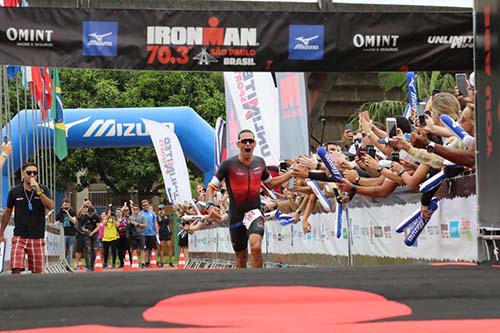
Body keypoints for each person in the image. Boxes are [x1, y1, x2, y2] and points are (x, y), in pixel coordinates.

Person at [206, 129, 293, 268]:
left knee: (256, 247)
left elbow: (270, 183)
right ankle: (243, 287)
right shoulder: (228, 164)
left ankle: (257, 284)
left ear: (254, 144)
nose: (247, 144)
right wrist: (210, 205)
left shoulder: (260, 162)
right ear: (238, 144)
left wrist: (291, 173)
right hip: (236, 215)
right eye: (244, 141)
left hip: (254, 212)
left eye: (250, 141)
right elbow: (211, 187)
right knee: (241, 257)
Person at [0, 162, 54, 274]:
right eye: (29, 172)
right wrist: (1, 232)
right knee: (16, 267)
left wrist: (39, 191)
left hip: (37, 236)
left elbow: (50, 206)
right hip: (20, 236)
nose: (32, 175)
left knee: (37, 272)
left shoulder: (43, 189)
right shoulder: (15, 191)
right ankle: (16, 290)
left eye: (35, 173)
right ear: (23, 174)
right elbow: (8, 212)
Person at [55, 198, 77, 269]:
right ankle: (61, 264)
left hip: (71, 233)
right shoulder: (59, 213)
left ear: (69, 205)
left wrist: (68, 213)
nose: (66, 206)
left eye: (67, 205)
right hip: (63, 234)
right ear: (62, 204)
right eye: (65, 204)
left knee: (70, 250)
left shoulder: (73, 212)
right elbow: (57, 222)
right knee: (62, 250)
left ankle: (68, 265)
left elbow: (74, 221)